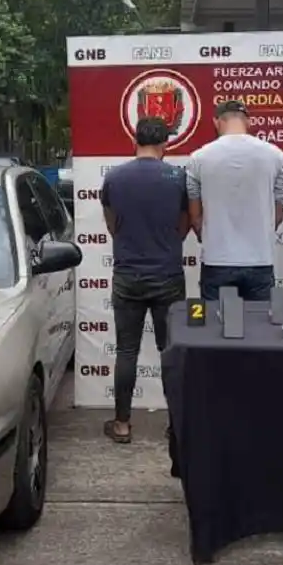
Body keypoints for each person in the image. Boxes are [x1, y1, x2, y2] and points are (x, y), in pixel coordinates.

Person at [100, 116, 190, 444]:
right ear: (165, 143)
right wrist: (168, 244)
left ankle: (122, 424)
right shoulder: (178, 178)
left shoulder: (114, 177)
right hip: (167, 273)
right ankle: (176, 425)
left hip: (128, 274)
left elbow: (112, 224)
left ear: (134, 140)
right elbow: (184, 225)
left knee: (126, 351)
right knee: (170, 351)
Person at [185, 100, 283, 301]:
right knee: (258, 321)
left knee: (214, 321)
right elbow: (278, 214)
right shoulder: (275, 155)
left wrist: (209, 237)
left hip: (216, 259)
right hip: (260, 260)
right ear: (248, 122)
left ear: (216, 122)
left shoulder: (198, 158)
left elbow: (195, 216)